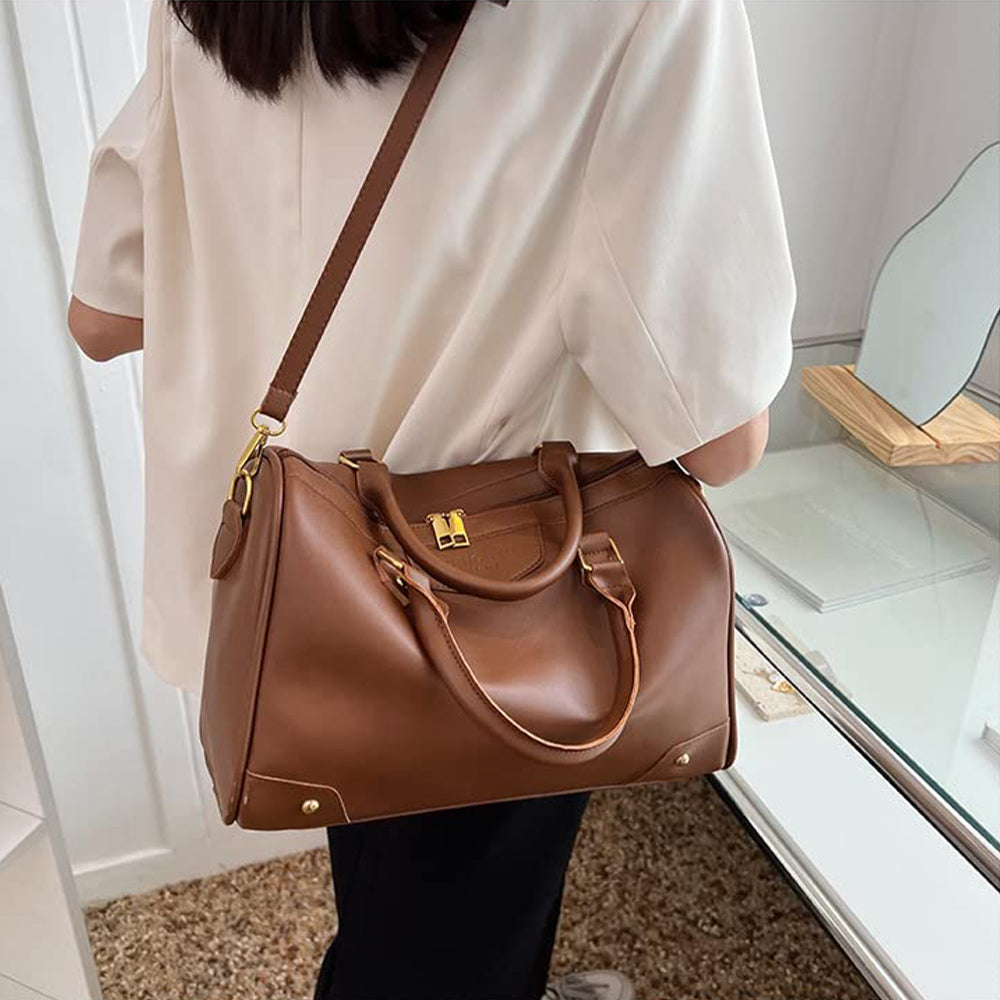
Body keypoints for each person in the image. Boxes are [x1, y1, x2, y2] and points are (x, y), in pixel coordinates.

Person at [68, 2, 795, 998]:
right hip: (502, 601)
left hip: (298, 588)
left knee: (388, 881)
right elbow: (722, 439)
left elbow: (101, 315)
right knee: (451, 942)